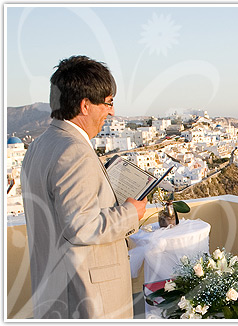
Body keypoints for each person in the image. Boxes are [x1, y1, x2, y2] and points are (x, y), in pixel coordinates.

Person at [21, 55, 148, 319]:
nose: (112, 112)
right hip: (86, 298)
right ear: (85, 105)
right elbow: (81, 227)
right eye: (108, 103)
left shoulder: (40, 145)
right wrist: (129, 212)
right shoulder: (74, 151)